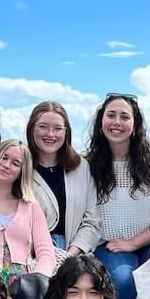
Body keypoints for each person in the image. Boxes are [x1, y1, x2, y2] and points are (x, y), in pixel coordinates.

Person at [87, 93, 150, 299]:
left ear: (135, 125)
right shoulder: (89, 164)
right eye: (111, 115)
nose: (117, 122)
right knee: (123, 282)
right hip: (110, 245)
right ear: (101, 122)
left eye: (125, 116)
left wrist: (134, 242)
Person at [0, 139, 57, 282]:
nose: (6, 165)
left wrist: (37, 280)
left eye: (16, 163)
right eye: (4, 158)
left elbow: (46, 253)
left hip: (24, 290)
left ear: (22, 172)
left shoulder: (31, 207)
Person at [26, 101, 100, 256]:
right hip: (32, 252)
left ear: (66, 132)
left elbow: (92, 221)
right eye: (43, 126)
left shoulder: (82, 168)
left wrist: (70, 255)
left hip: (75, 252)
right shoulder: (20, 167)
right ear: (32, 128)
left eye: (58, 128)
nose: (51, 134)